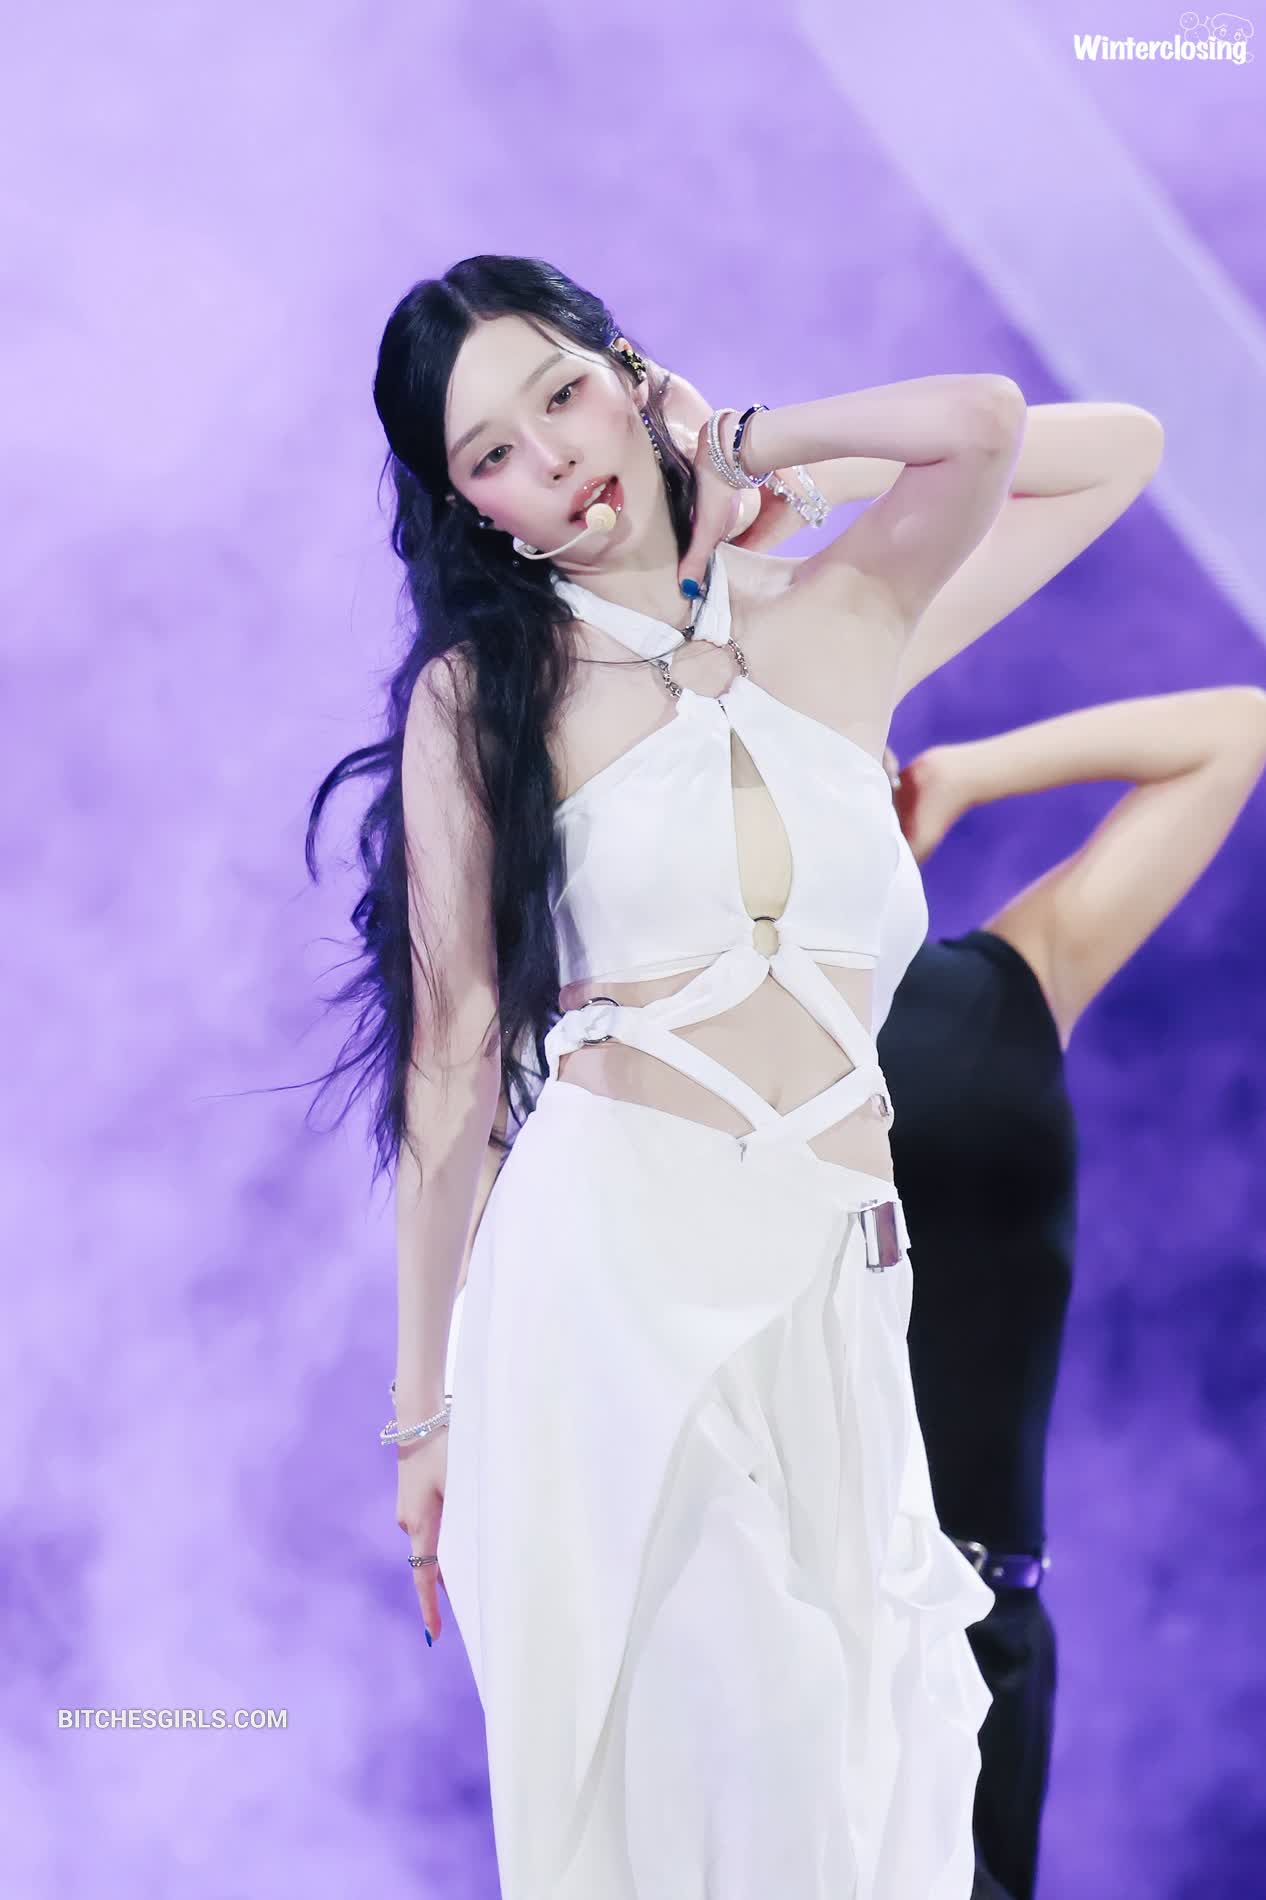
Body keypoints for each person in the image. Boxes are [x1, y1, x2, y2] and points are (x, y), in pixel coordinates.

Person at [304, 251, 1154, 1900]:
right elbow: (451, 1062)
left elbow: (1055, 440)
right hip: (610, 1297)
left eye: (563, 393)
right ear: (470, 507)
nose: (554, 458)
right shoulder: (488, 699)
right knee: (730, 1770)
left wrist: (758, 448)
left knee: (856, 1806)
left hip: (834, 1289)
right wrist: (421, 1415)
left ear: (631, 372)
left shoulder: (835, 615)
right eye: (492, 454)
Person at [873, 688, 1266, 1900]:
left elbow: (1236, 729)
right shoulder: (692, 1043)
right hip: (802, 1627)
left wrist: (963, 771)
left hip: (991, 1621)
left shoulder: (1003, 982)